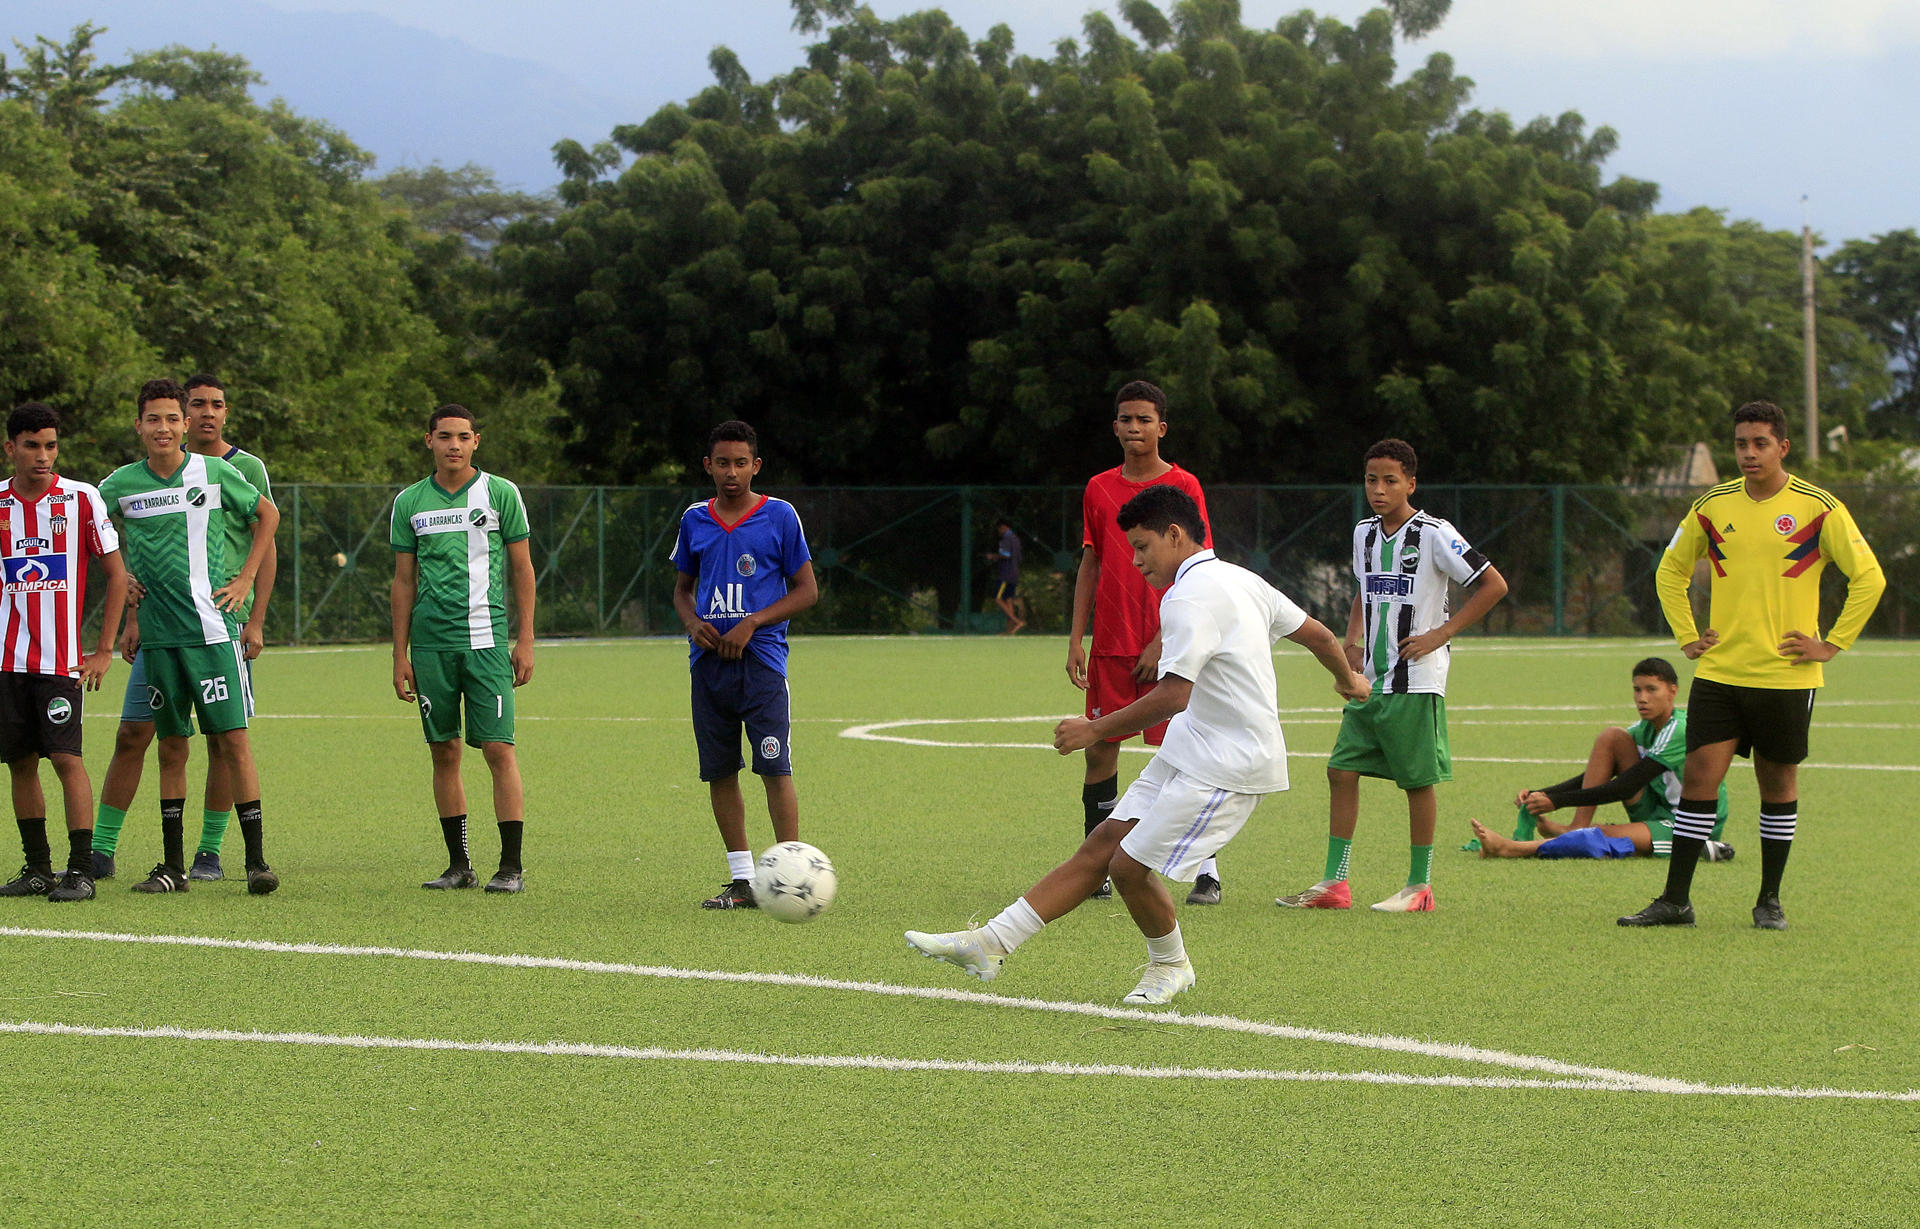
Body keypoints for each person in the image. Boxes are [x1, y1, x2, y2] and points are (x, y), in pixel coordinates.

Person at [907, 486, 1369, 1004]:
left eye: (1143, 546)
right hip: (1192, 748)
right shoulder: (1241, 578)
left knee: (1127, 866)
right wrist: (1349, 681)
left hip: (1228, 766)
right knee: (1102, 845)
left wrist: (1094, 729)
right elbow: (1321, 637)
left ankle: (1170, 966)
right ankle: (989, 942)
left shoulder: (1188, 597)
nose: (1134, 559)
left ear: (1175, 535)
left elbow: (1174, 694)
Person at [1619, 401, 1884, 930]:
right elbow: (1669, 571)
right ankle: (1676, 901)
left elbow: (1869, 577)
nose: (1748, 453)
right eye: (1741, 443)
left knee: (1777, 784)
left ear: (1782, 447)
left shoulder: (1818, 507)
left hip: (1786, 676)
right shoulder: (1712, 506)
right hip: (1720, 673)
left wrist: (1830, 644)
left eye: (1760, 443)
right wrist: (1689, 637)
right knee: (1699, 778)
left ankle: (1769, 901)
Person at [1277, 438, 1508, 913]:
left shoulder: (1435, 533)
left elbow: (1493, 584)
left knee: (1416, 780)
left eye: (1389, 480)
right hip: (1370, 679)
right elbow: (1364, 588)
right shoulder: (1364, 533)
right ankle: (1335, 884)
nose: (1378, 489)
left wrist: (1440, 633)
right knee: (1340, 771)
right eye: (1370, 480)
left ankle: (1419, 887)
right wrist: (1353, 638)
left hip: (1415, 678)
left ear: (1411, 483)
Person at [97, 378, 280, 894]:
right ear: (139, 426)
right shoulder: (119, 485)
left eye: (171, 419)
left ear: (184, 425)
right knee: (170, 746)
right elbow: (90, 530)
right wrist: (120, 580)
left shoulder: (216, 471)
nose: (163, 427)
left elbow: (268, 515)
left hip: (212, 631)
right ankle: (173, 867)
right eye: (152, 419)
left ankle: (255, 862)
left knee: (232, 740)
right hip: (157, 639)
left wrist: (245, 578)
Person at [1066, 380, 1223, 905]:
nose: (1134, 428)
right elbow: (1090, 563)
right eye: (1125, 419)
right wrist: (1076, 639)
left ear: (1162, 426)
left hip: (1171, 643)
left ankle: (1206, 869)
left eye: (1144, 419)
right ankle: (1100, 866)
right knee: (1100, 747)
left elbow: (1200, 564)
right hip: (1110, 640)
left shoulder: (1185, 486)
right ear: (1115, 426)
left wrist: (1161, 638)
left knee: (1187, 753)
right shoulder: (1098, 488)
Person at [670, 420, 818, 910]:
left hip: (762, 665)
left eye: (741, 463)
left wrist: (752, 622)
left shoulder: (780, 516)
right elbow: (682, 591)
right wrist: (694, 625)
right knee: (720, 770)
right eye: (722, 463)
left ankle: (791, 876)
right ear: (707, 466)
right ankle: (741, 880)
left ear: (756, 466)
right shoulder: (695, 519)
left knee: (774, 766)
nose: (731, 473)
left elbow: (807, 590)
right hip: (708, 666)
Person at [391, 404, 535, 894]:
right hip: (431, 648)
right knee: (444, 751)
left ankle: (510, 866)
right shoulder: (409, 502)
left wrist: (526, 638)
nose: (454, 445)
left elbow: (522, 570)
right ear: (428, 440)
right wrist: (399, 653)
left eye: (463, 437)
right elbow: (403, 581)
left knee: (498, 749)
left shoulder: (500, 493)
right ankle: (459, 865)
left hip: (486, 642)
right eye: (444, 436)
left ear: (477, 441)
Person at [0, 404, 129, 902]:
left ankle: (80, 871)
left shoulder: (80, 499)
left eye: (51, 445)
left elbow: (116, 574)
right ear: (11, 448)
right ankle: (37, 868)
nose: (43, 455)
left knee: (66, 759)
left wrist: (102, 650)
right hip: (8, 662)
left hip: (61, 662)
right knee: (19, 763)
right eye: (32, 445)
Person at [1468, 657, 1733, 861]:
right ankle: (1576, 828)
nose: (1642, 698)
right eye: (1637, 690)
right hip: (1656, 808)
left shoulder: (1679, 729)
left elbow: (1626, 786)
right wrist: (1543, 794)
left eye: (1652, 690)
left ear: (1672, 692)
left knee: (1602, 835)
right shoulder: (1643, 730)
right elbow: (1597, 775)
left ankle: (1511, 848)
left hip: (1687, 821)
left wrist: (1557, 801)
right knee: (1612, 737)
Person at [988, 517, 1026, 635]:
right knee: (1008, 600)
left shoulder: (1006, 538)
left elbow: (1005, 554)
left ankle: (1017, 622)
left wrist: (993, 556)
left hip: (1005, 574)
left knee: (998, 598)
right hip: (1014, 573)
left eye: (999, 529)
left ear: (1003, 527)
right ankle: (1010, 631)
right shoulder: (1016, 539)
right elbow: (1019, 557)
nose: (999, 532)